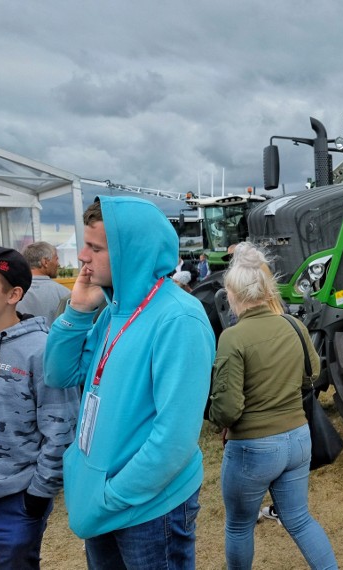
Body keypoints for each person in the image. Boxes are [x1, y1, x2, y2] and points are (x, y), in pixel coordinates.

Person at [43, 196, 216, 569]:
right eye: (84, 244)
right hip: (101, 498)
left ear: (131, 252)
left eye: (95, 247)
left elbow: (175, 437)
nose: (82, 257)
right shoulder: (112, 312)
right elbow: (58, 374)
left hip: (146, 508)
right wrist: (77, 311)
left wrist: (114, 496)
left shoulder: (179, 318)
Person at [208, 242, 337, 570]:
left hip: (253, 448)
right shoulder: (294, 326)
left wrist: (213, 414)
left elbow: (227, 410)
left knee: (239, 525)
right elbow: (314, 373)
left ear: (233, 295)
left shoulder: (233, 338)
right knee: (300, 520)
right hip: (298, 439)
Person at [0, 246, 80, 569]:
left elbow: (61, 430)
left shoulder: (42, 350)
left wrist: (35, 498)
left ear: (13, 294)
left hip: (13, 506)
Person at [16, 241, 71, 326]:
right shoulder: (65, 294)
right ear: (45, 262)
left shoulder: (12, 293)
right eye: (56, 259)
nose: (58, 264)